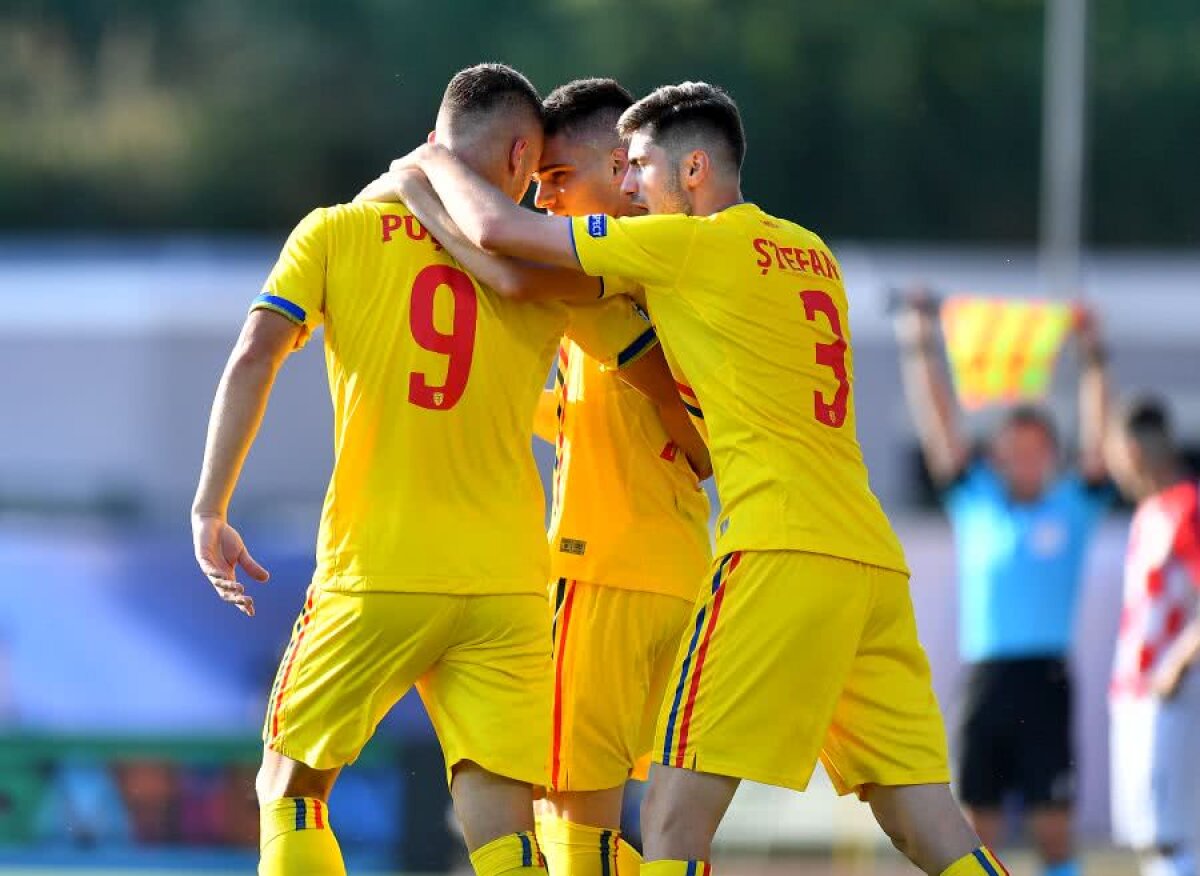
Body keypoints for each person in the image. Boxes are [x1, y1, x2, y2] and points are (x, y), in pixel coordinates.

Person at [369, 81, 1003, 876]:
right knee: (926, 824)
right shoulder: (812, 253)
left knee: (668, 821)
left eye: (636, 167)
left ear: (694, 169)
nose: (630, 187)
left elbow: (503, 239)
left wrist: (427, 168)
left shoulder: (685, 248)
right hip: (868, 557)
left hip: (766, 548)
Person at [191, 63, 685, 876]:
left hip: (377, 566)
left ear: (433, 142)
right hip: (506, 586)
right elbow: (658, 378)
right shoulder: (552, 272)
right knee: (503, 825)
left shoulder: (334, 231)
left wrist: (210, 506)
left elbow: (255, 353)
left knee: (290, 790)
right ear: (521, 155)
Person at [893, 293, 1112, 876]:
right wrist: (919, 338)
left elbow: (1099, 438)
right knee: (975, 828)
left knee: (1054, 831)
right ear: (998, 456)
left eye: (1036, 450)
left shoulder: (1073, 505)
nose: (1024, 460)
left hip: (1045, 680)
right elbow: (939, 422)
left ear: (1052, 455)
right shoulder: (977, 500)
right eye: (1013, 450)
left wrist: (1093, 353)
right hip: (986, 679)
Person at [1106, 397, 1200, 876]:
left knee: (1171, 840)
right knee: (1149, 841)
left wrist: (1178, 662)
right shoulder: (1149, 512)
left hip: (1175, 698)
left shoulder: (1187, 507)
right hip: (1140, 696)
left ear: (1132, 450)